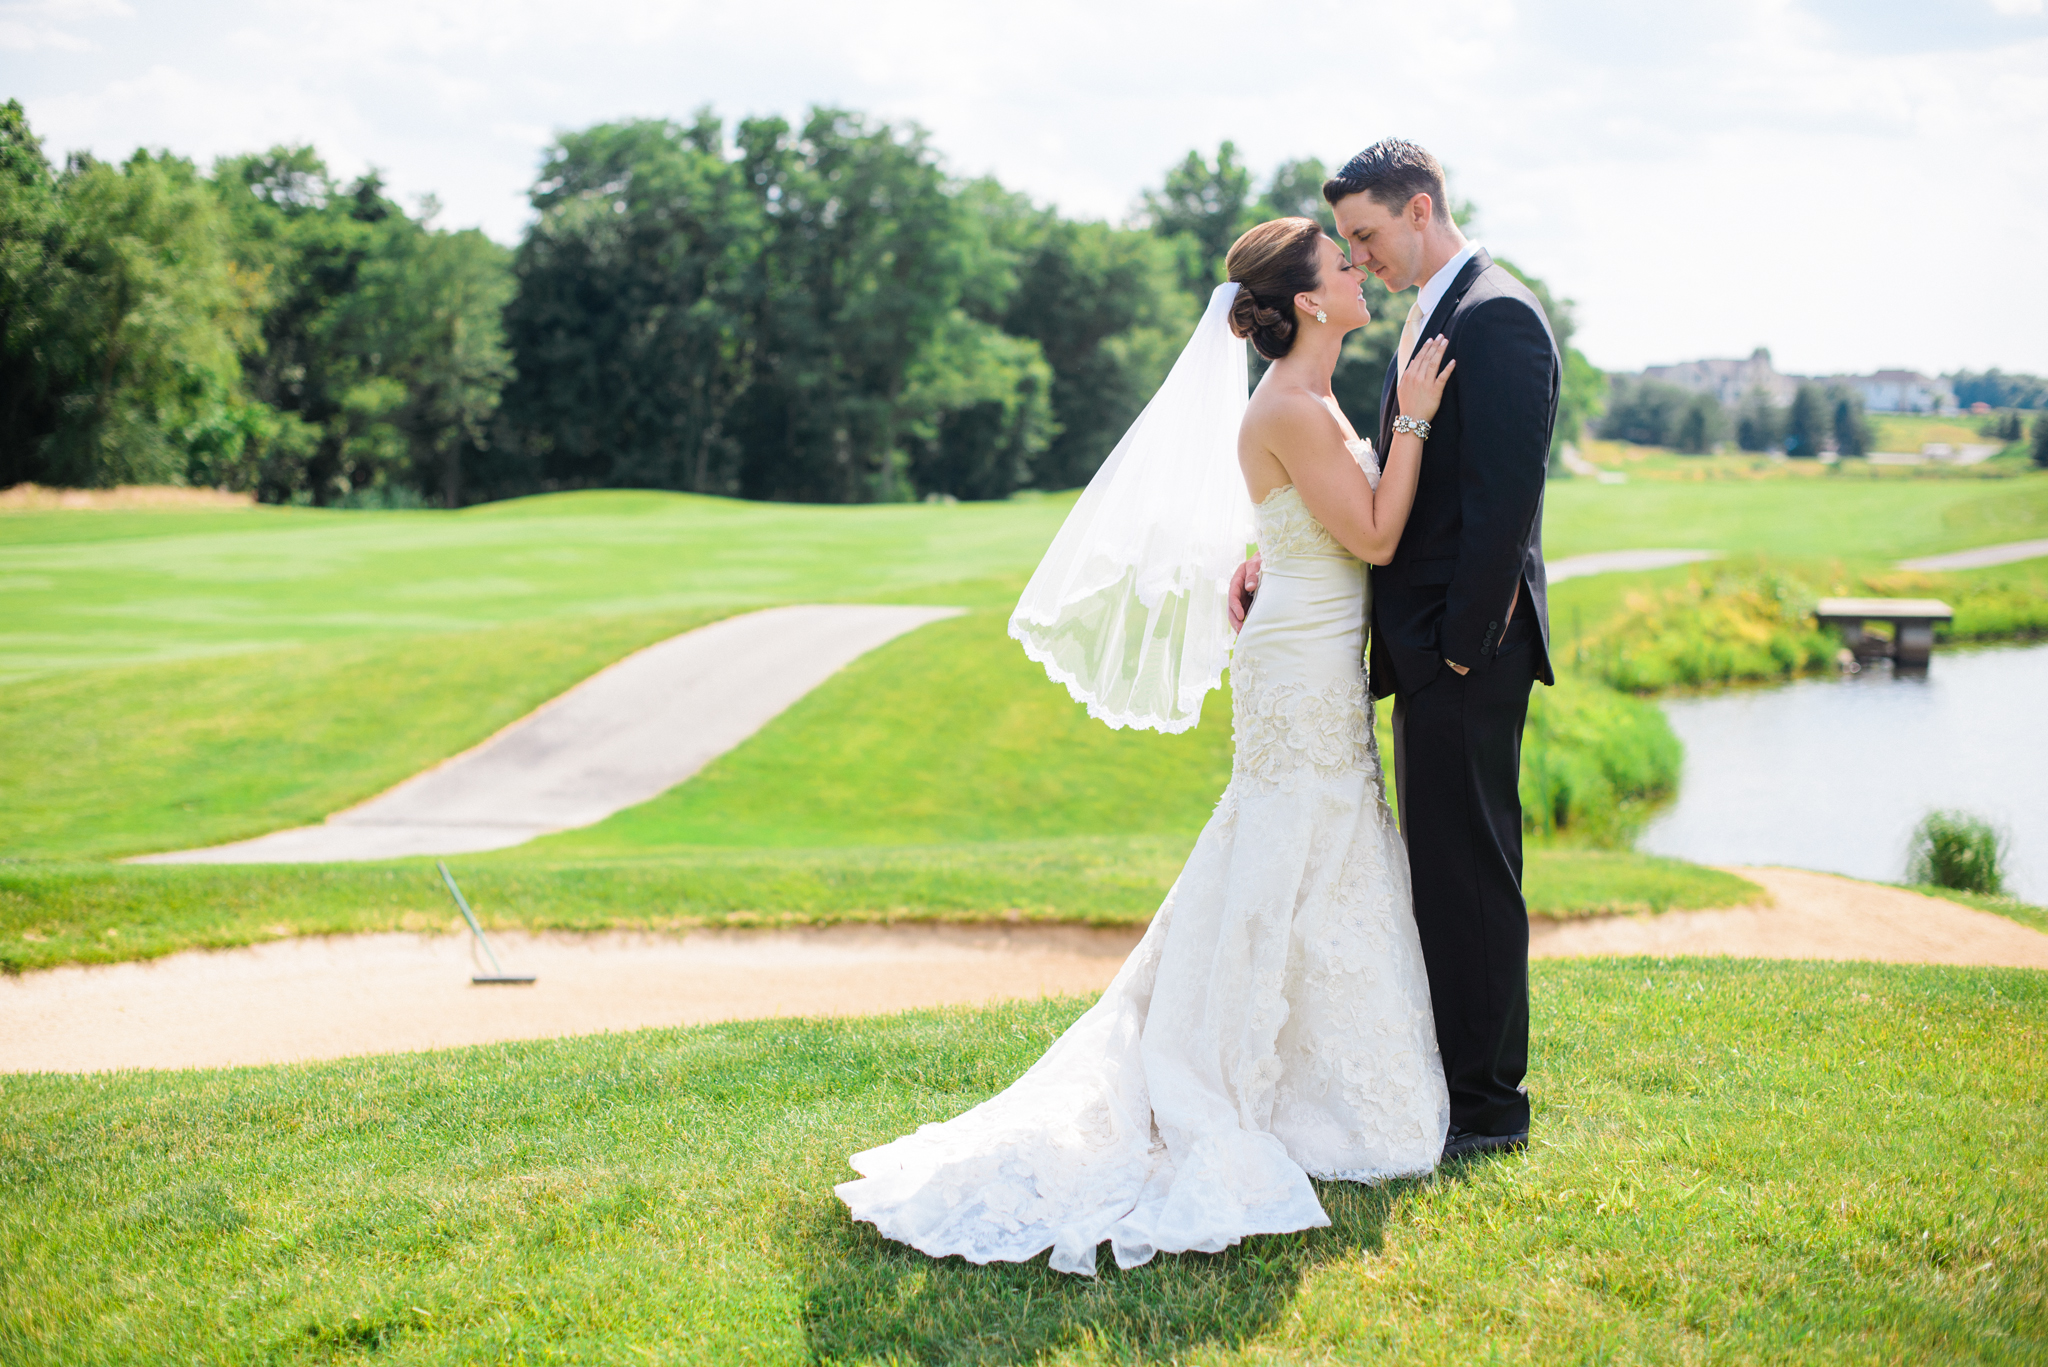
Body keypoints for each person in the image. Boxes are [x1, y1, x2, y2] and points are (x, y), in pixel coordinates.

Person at [835, 215, 1456, 1276]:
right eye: (1340, 263)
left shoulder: (1309, 401)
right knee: (1283, 848)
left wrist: (1268, 552)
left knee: (1316, 855)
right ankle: (1236, 1082)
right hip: (1297, 674)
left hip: (1308, 653)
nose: (1357, 271)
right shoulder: (1291, 405)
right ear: (1307, 301)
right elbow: (1374, 536)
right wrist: (1412, 424)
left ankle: (1323, 1082)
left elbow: (1307, 528)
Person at [1231, 140, 1559, 1159]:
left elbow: (1502, 507)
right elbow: (1352, 499)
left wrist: (1457, 653)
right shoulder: (1432, 310)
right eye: (1346, 247)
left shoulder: (1495, 315)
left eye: (1365, 235)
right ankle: (1457, 1087)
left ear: (1419, 208)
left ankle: (1487, 1109)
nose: (1359, 258)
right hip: (1410, 649)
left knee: (1469, 875)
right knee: (1443, 872)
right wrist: (1270, 553)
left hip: (1461, 654)